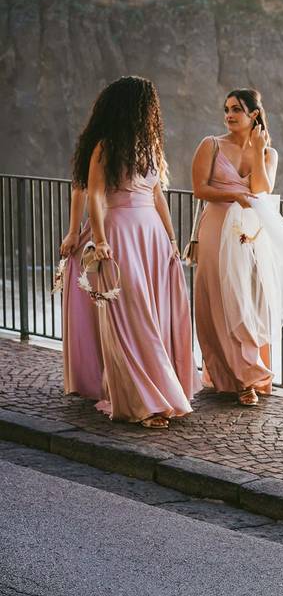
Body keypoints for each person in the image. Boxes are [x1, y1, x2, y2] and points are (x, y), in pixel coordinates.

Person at [75, 75, 200, 428]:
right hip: (121, 231)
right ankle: (142, 402)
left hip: (153, 235)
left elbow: (158, 194)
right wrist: (99, 241)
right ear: (134, 107)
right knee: (132, 317)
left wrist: (172, 240)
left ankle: (161, 389)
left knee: (157, 316)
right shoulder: (105, 146)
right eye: (148, 103)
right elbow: (96, 195)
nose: (152, 110)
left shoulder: (150, 145)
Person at [191, 89, 277, 406]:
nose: (229, 115)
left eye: (237, 109)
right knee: (219, 300)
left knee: (248, 301)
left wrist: (256, 150)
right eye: (226, 109)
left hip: (248, 233)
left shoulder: (268, 153)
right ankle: (236, 378)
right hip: (215, 227)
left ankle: (251, 373)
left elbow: (261, 192)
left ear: (253, 114)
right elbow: (200, 188)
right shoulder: (210, 145)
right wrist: (234, 197)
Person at [59, 186, 102, 400]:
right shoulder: (95, 152)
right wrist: (74, 232)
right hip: (99, 233)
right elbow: (80, 188)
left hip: (131, 229)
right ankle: (92, 375)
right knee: (93, 302)